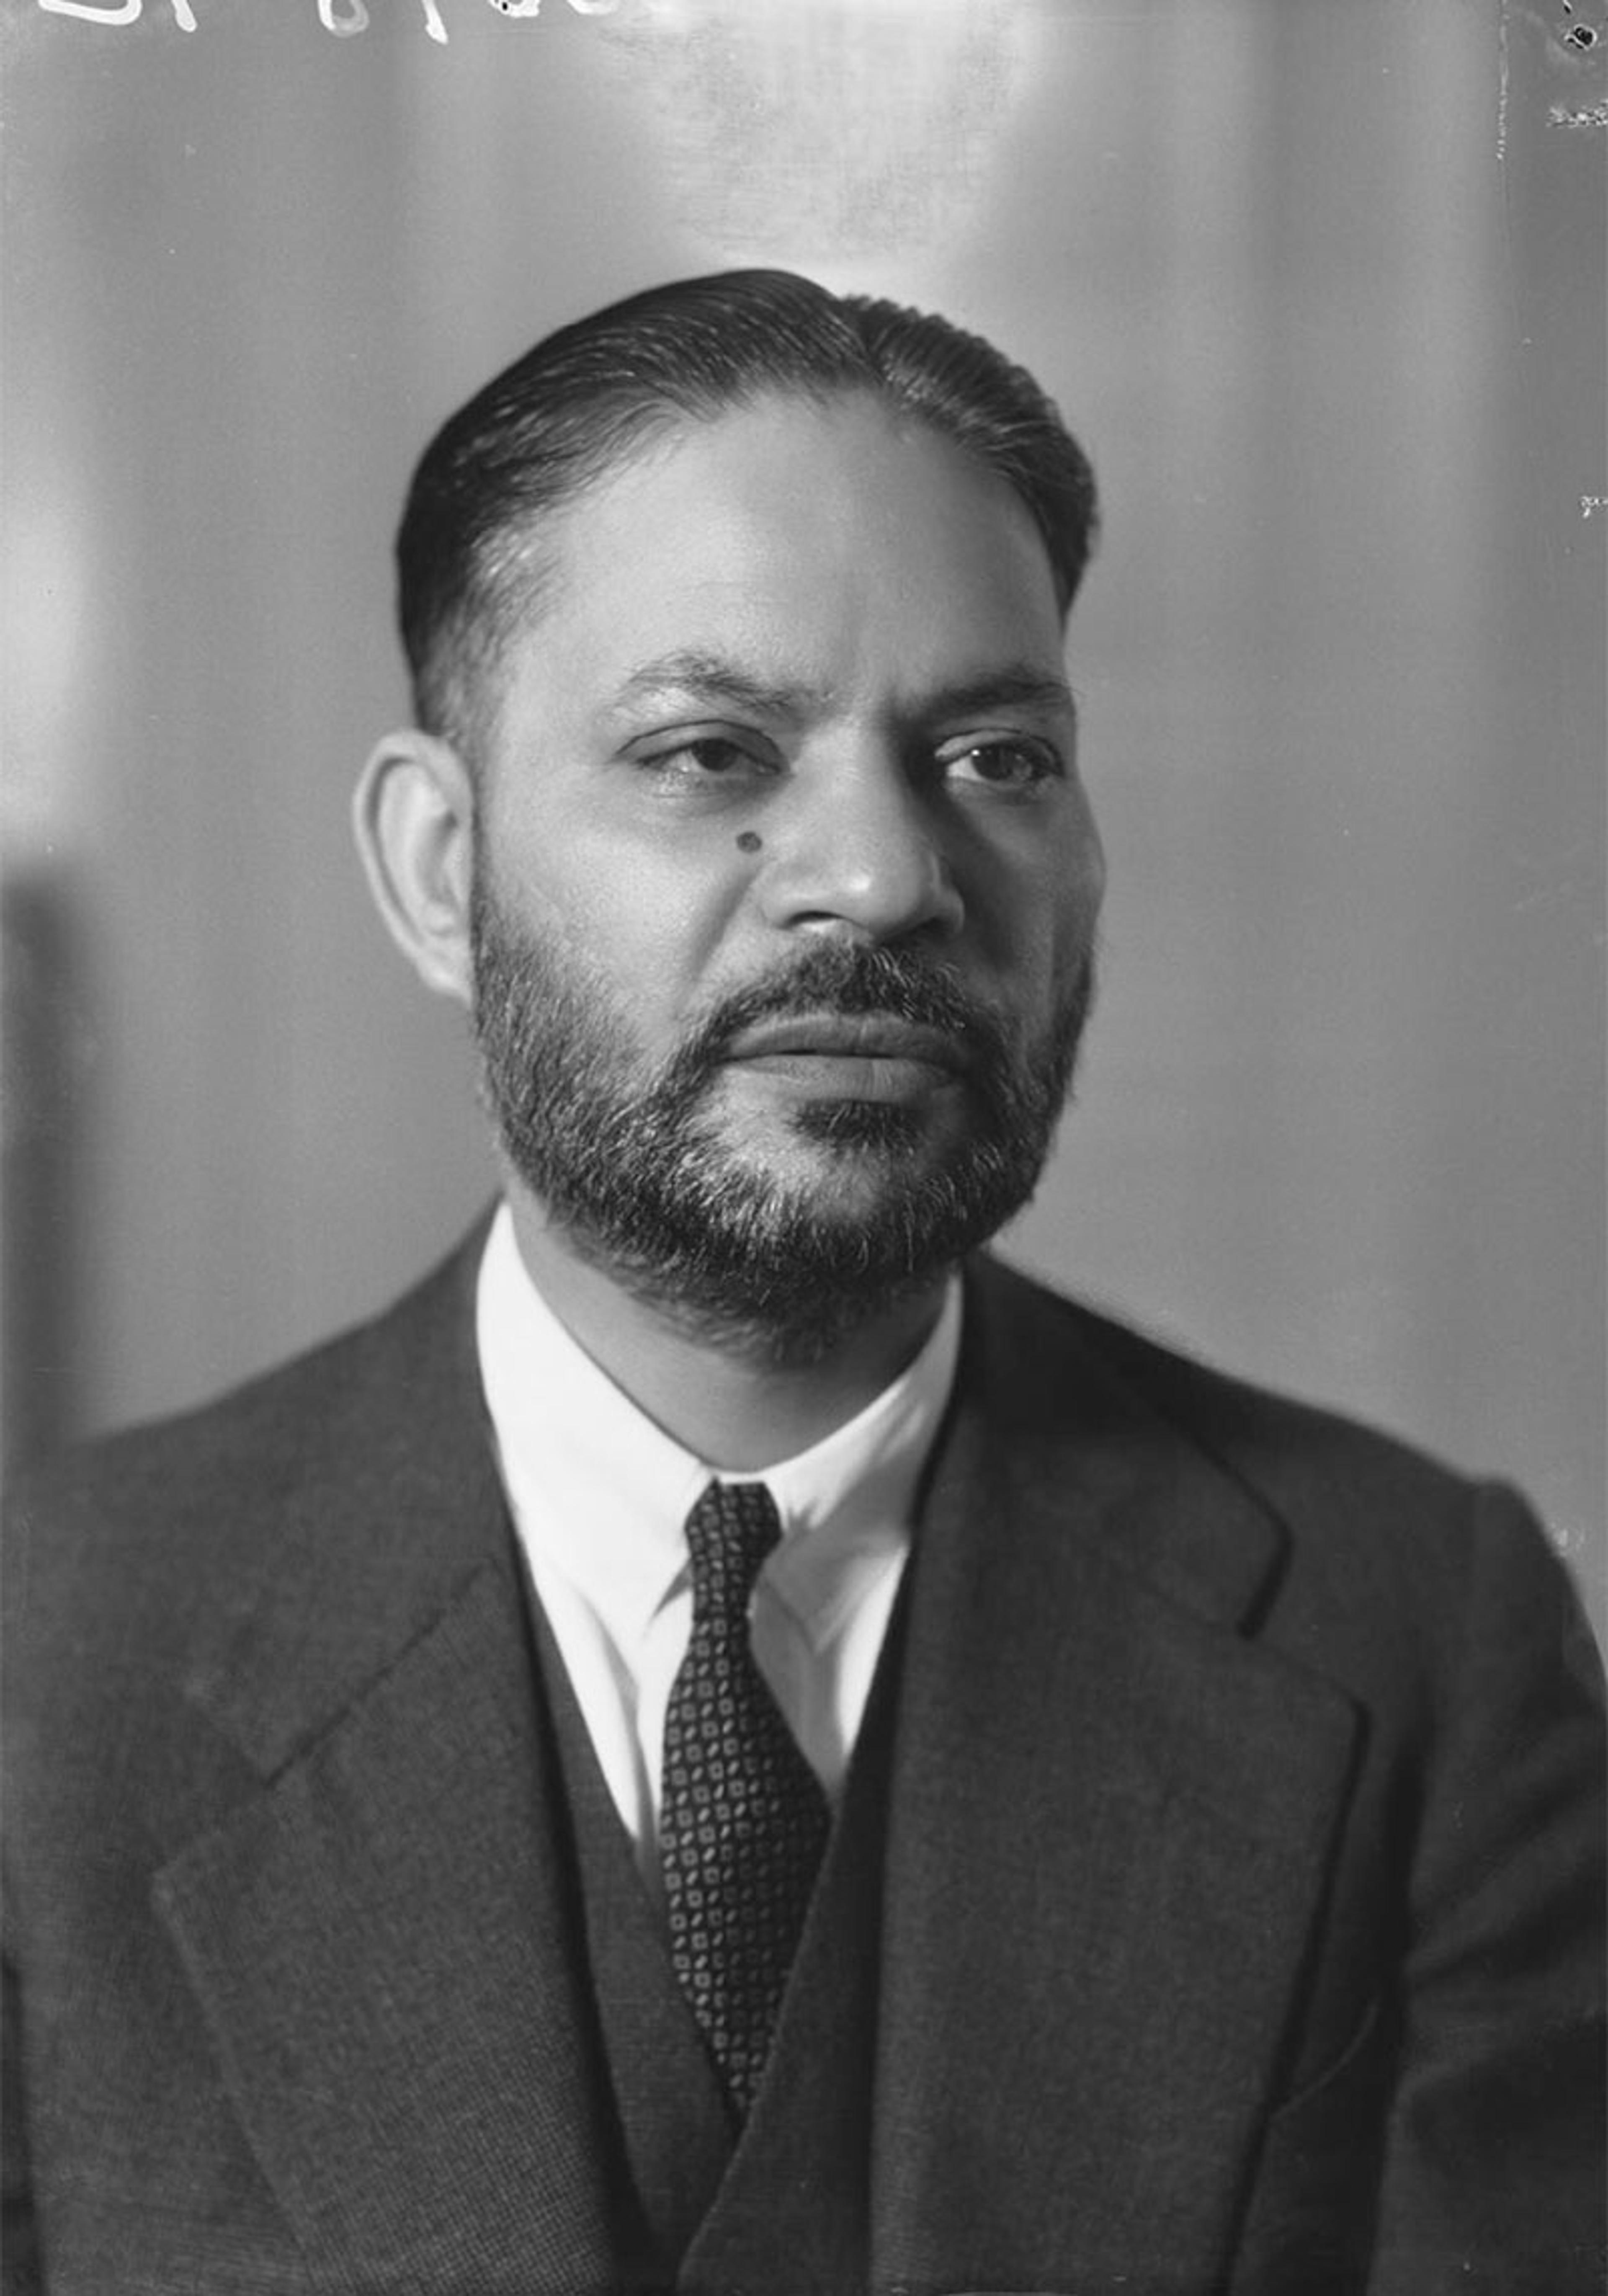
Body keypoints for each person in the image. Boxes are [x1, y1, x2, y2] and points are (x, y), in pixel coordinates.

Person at [3, 269, 1602, 2296]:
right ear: (436, 869)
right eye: (705, 750)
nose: (883, 874)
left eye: (997, 755)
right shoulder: (41, 1672)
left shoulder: (1425, 1646)